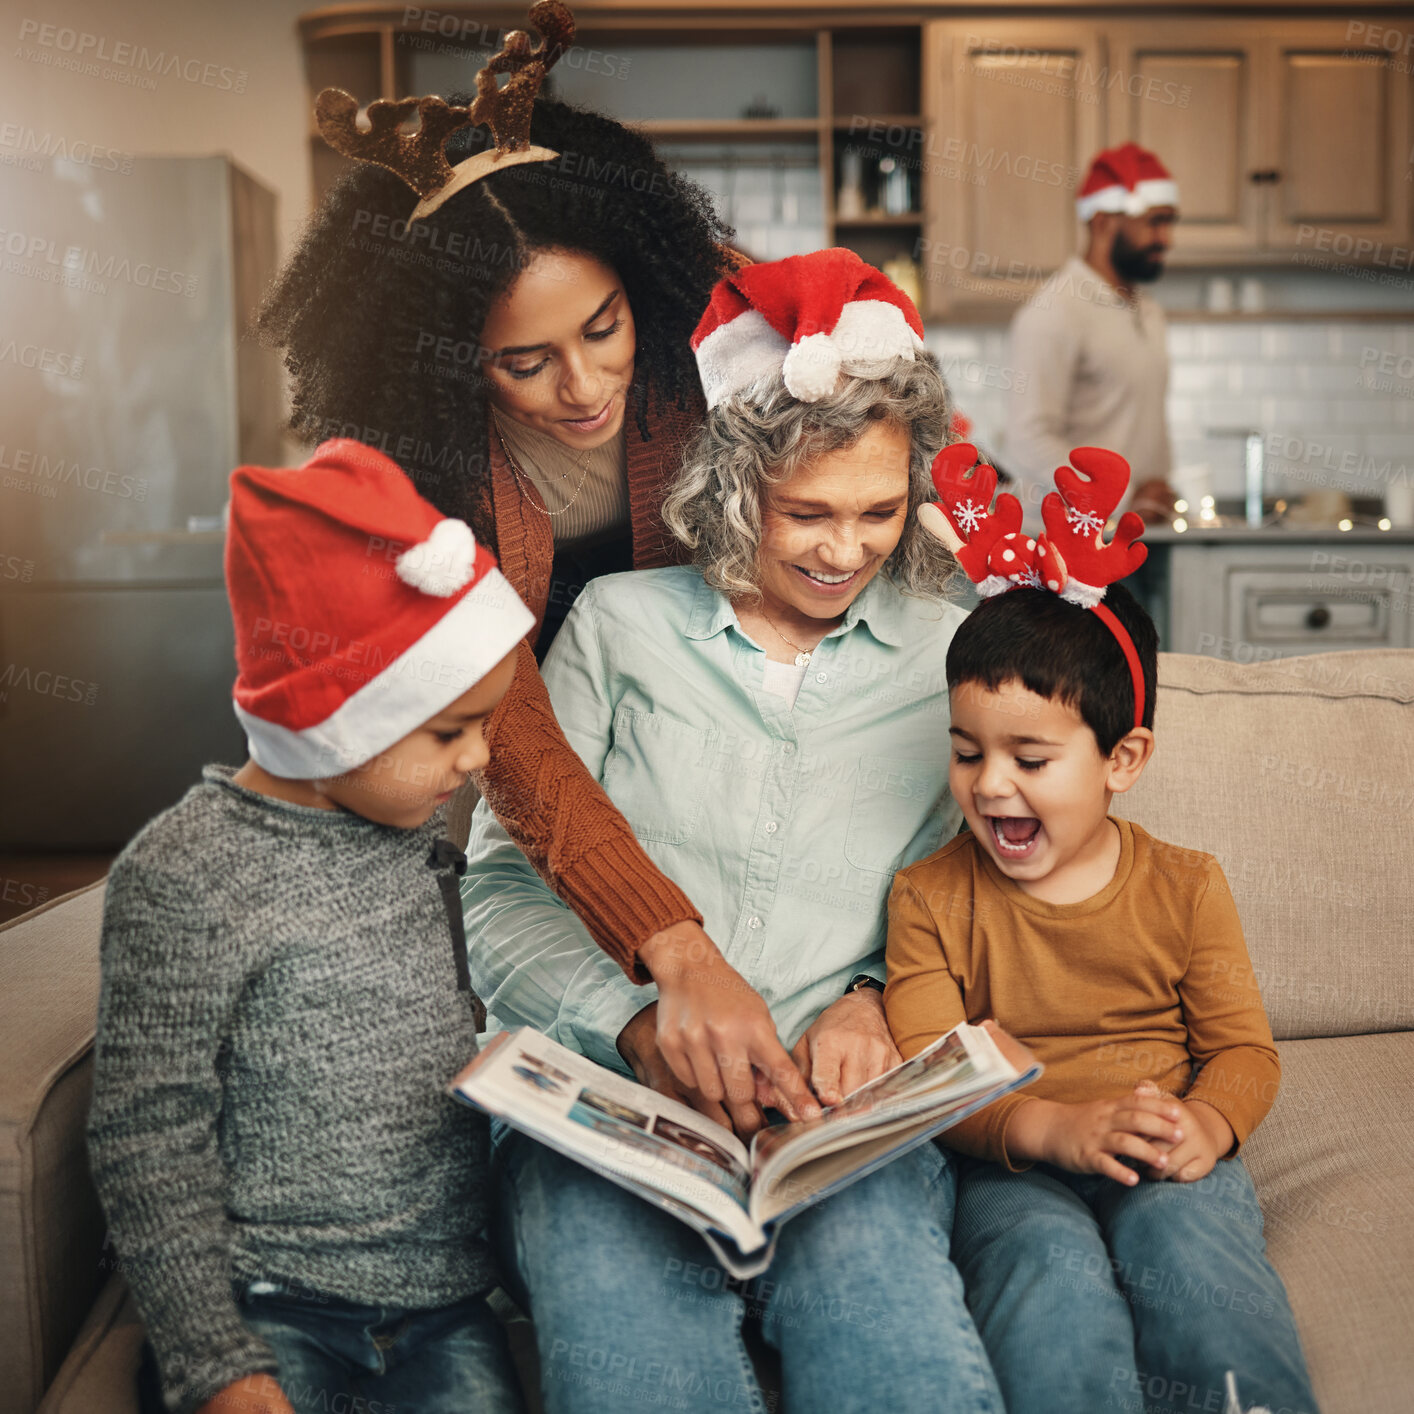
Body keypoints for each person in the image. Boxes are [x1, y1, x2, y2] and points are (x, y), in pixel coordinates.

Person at [463, 250, 1004, 1412]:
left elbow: (973, 889)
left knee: (895, 1341)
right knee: (629, 1345)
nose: (841, 551)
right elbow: (500, 898)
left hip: (837, 1125)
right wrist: (637, 1022)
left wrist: (873, 994)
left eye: (877, 510)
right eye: (804, 511)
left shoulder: (944, 656)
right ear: (730, 484)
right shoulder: (616, 626)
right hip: (615, 1117)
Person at [257, 15, 816, 1130]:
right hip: (515, 682)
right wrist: (671, 943)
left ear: (638, 288)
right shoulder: (409, 466)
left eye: (603, 328)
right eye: (523, 361)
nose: (582, 385)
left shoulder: (720, 326)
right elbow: (505, 716)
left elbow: (878, 451)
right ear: (447, 361)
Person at [87, 441, 536, 1414]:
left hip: (444, 1308)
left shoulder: (412, 831)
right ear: (332, 718)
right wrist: (218, 1366)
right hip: (269, 1305)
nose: (480, 756)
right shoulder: (183, 875)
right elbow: (145, 1138)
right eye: (449, 729)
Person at [884, 449, 1318, 1414]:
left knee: (1196, 1266)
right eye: (967, 753)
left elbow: (1243, 1049)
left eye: (1030, 758)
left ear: (1124, 760)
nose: (991, 785)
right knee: (1047, 1283)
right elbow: (933, 1073)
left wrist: (1209, 1122)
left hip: (1161, 1147)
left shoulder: (1186, 886)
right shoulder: (928, 896)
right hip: (1015, 1163)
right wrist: (1054, 1129)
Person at [1007, 142, 1181, 528]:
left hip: (1143, 531)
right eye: (1155, 222)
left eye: (1170, 222)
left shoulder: (1148, 309)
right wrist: (1123, 499)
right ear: (1103, 222)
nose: (1166, 239)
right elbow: (1027, 439)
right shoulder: (1055, 312)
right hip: (1075, 543)